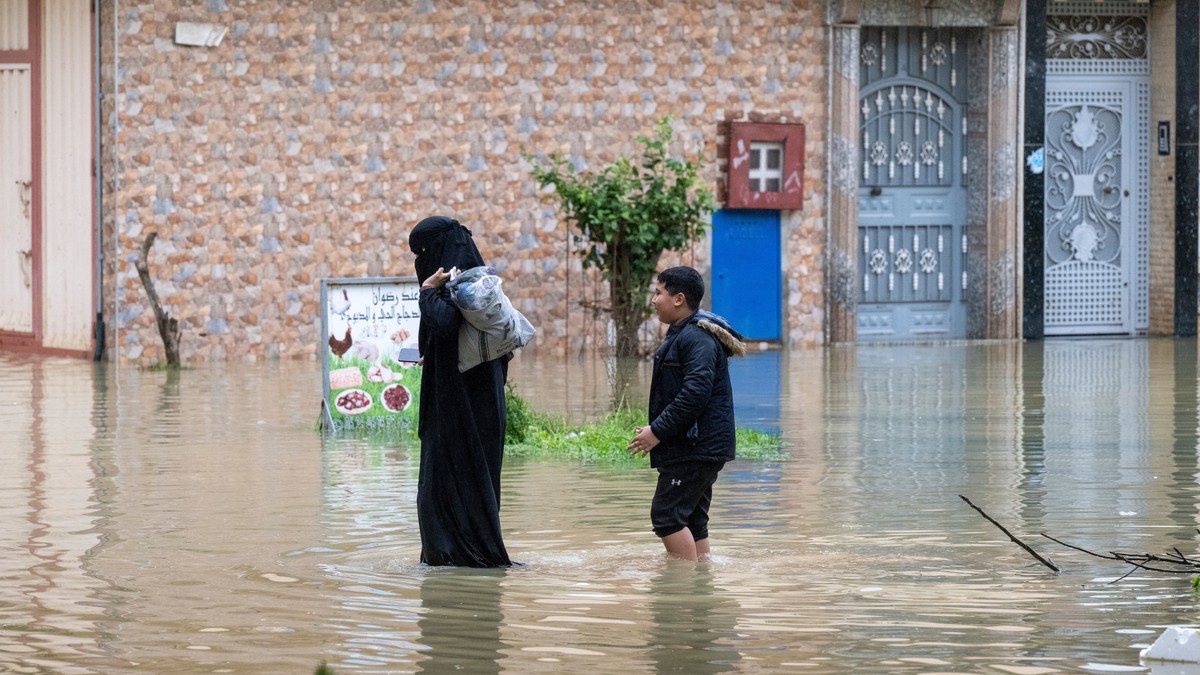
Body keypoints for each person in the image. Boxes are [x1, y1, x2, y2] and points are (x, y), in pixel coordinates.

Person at [409, 215, 513, 567]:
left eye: (422, 253)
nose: (419, 262)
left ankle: (460, 562)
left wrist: (427, 290)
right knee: (465, 483)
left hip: (460, 411)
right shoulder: (478, 283)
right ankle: (463, 561)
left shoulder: (465, 283)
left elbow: (445, 321)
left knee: (445, 485)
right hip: (475, 405)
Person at [628, 266, 745, 561]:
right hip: (697, 446)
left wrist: (657, 431)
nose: (654, 300)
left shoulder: (696, 338)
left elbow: (695, 394)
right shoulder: (685, 333)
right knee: (692, 519)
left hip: (696, 449)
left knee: (666, 517)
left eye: (658, 293)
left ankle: (681, 586)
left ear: (678, 299)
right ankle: (700, 582)